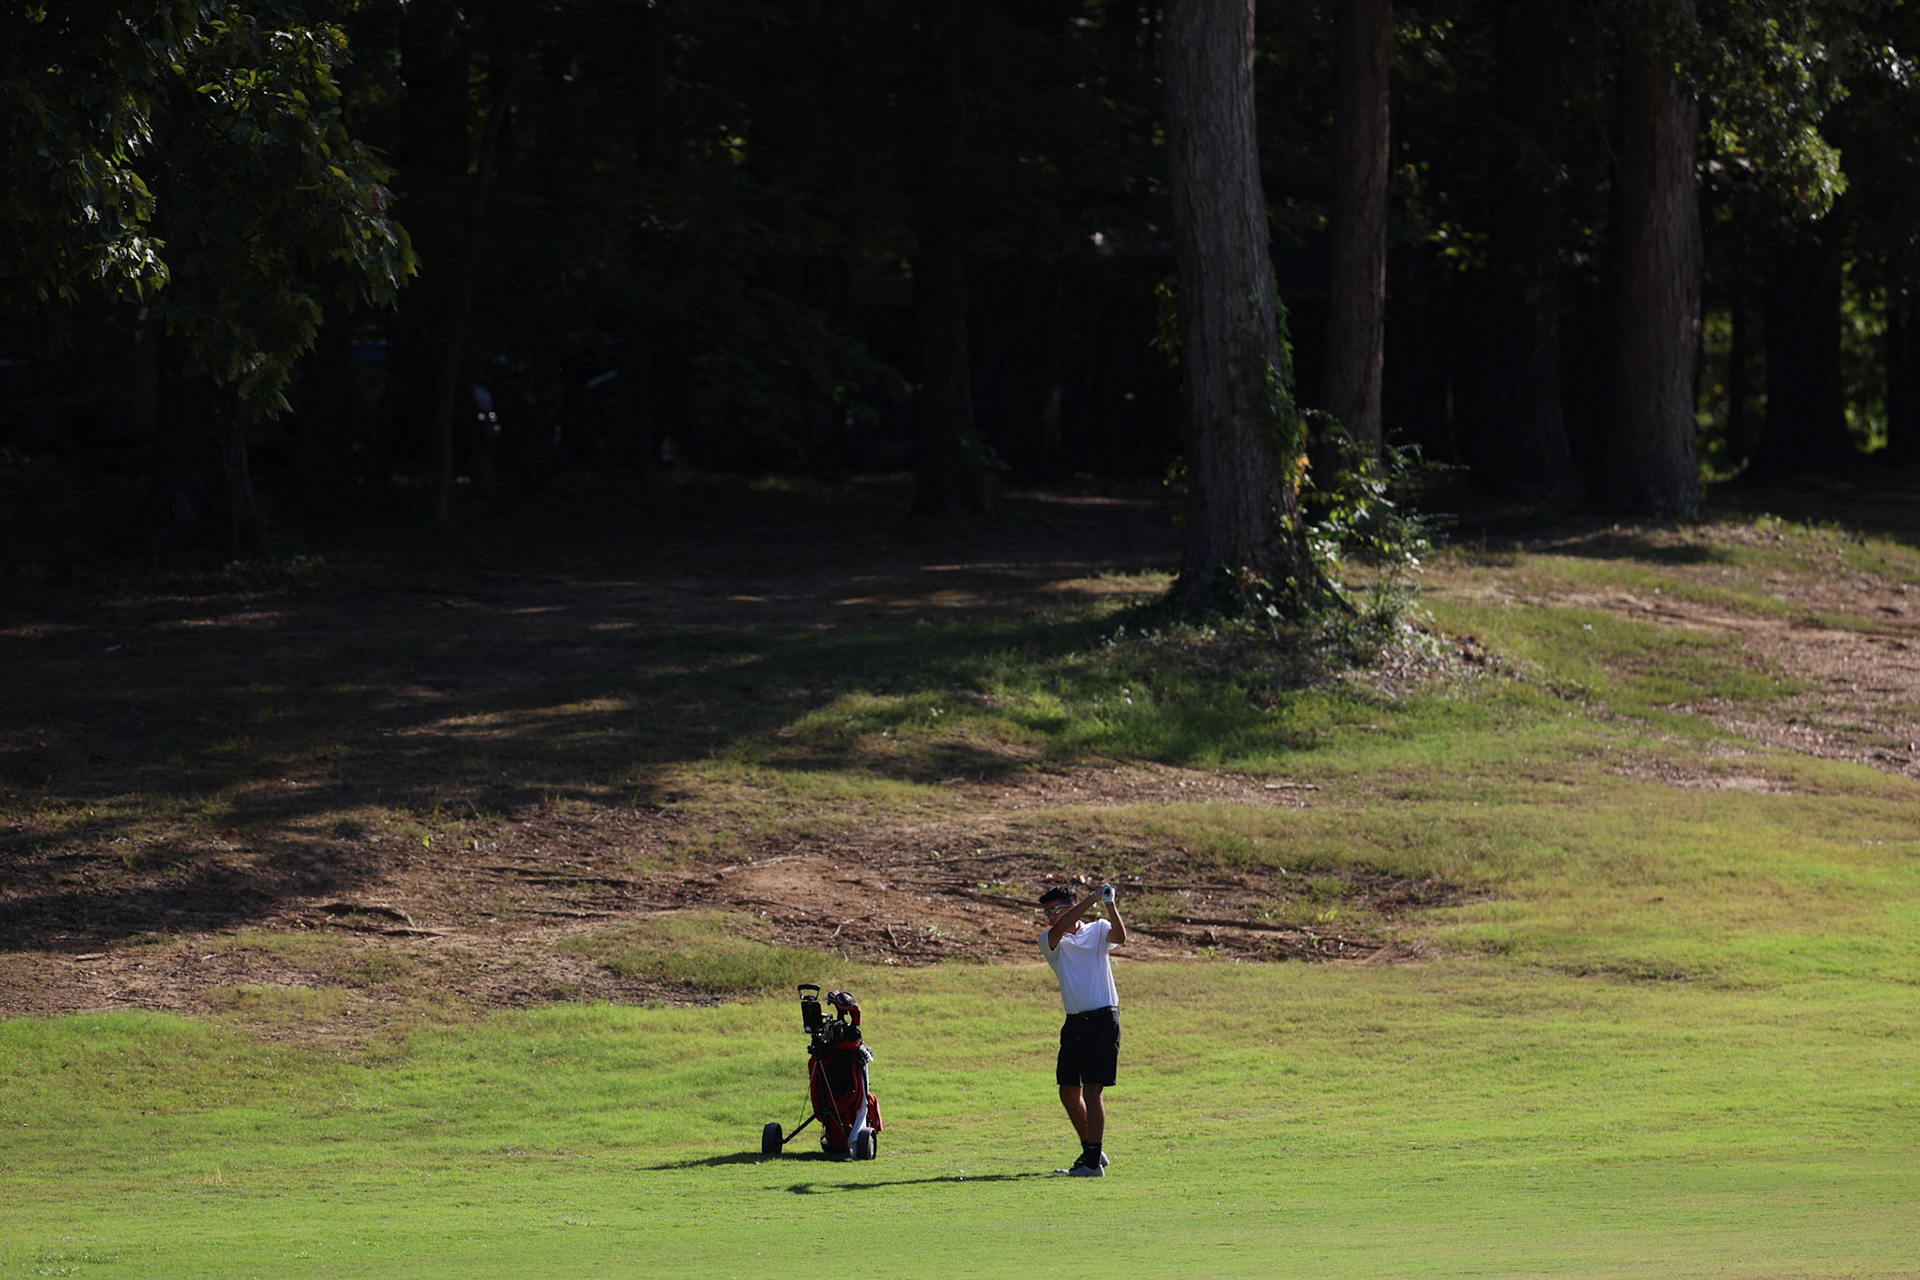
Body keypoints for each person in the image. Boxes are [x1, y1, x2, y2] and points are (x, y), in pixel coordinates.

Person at [1037, 881, 1126, 1177]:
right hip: (1075, 1022)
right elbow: (1060, 929)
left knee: (1092, 1090)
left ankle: (1090, 1163)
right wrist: (1093, 897)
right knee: (1067, 1091)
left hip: (1103, 1018)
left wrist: (1109, 904)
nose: (1050, 916)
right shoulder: (1050, 940)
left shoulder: (1098, 929)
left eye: (1055, 909)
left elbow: (1120, 937)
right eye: (1047, 911)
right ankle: (1093, 1151)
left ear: (1069, 906)